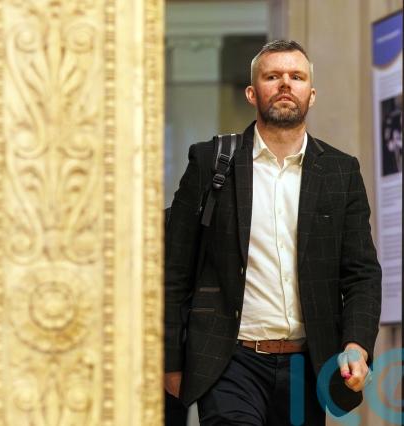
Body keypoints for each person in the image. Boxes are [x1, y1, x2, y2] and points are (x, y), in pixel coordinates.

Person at [164, 39, 382, 426]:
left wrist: (357, 345)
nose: (285, 84)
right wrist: (170, 361)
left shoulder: (340, 171)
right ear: (252, 93)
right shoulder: (210, 162)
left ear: (311, 94)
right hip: (229, 362)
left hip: (307, 364)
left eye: (296, 76)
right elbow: (174, 271)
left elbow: (361, 273)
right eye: (272, 76)